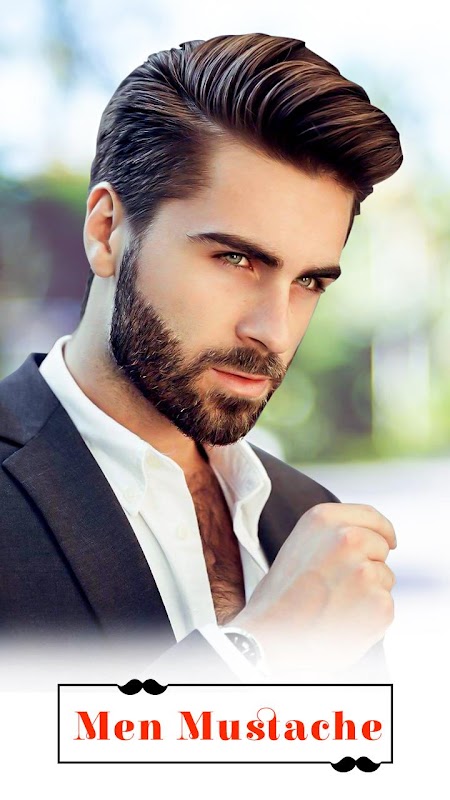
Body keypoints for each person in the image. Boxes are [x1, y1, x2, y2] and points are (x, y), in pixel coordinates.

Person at [0, 33, 402, 680]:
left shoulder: (303, 515)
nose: (274, 331)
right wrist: (258, 649)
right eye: (235, 259)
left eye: (309, 281)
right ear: (107, 231)